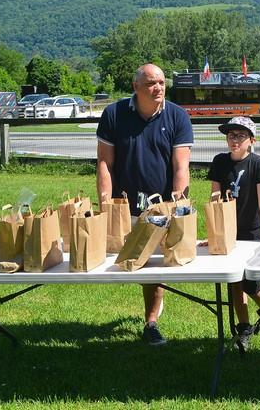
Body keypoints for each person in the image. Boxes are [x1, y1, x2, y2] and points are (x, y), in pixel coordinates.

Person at [96, 64, 193, 346]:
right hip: (124, 206)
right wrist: (105, 202)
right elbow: (105, 162)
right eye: (152, 83)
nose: (159, 88)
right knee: (117, 261)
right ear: (136, 86)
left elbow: (181, 166)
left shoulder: (177, 116)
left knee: (154, 269)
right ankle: (151, 317)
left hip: (160, 206)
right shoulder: (113, 114)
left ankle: (150, 322)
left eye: (162, 82)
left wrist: (177, 204)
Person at [207, 115, 260, 352]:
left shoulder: (258, 163)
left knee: (250, 282)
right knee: (234, 282)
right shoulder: (219, 162)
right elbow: (214, 197)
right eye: (230, 135)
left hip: (251, 231)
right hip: (227, 232)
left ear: (251, 139)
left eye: (240, 136)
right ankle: (244, 328)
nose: (234, 140)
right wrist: (215, 231)